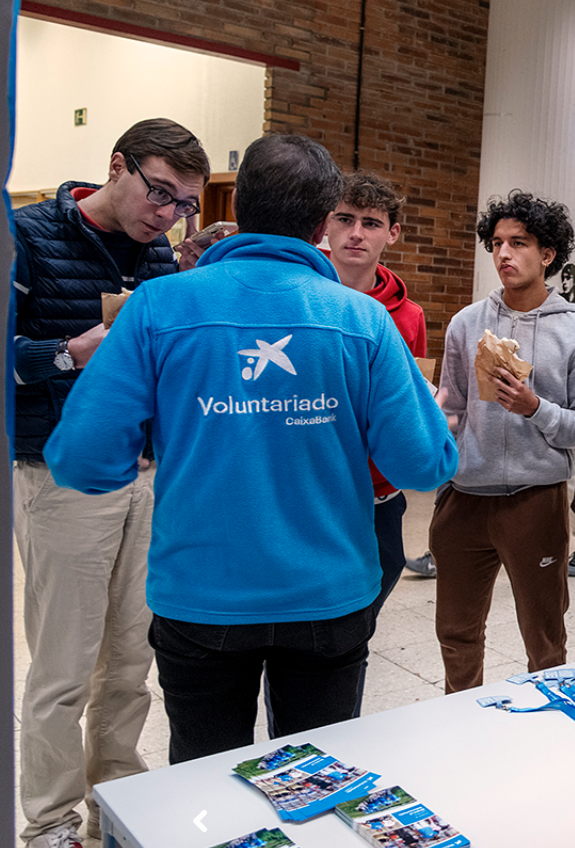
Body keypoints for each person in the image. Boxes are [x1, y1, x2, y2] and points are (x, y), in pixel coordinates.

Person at [44, 134, 458, 765]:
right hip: (327, 596)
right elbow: (424, 464)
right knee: (318, 783)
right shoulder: (363, 320)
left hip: (202, 598)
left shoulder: (159, 306)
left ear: (239, 201)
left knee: (207, 783)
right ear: (322, 222)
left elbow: (82, 460)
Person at [11, 118, 211, 848]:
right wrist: (68, 352)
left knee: (130, 662)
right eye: (160, 193)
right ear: (116, 167)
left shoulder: (158, 255)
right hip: (60, 476)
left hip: (146, 478)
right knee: (63, 667)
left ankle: (115, 805)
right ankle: (51, 822)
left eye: (184, 202)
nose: (167, 214)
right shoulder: (26, 235)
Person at [432, 190, 575, 692]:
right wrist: (440, 445)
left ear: (547, 254)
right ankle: (459, 721)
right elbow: (453, 407)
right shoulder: (467, 324)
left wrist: (535, 408)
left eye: (519, 243)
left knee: (545, 639)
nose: (504, 254)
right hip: (465, 498)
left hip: (537, 501)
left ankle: (545, 734)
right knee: (456, 633)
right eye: (497, 243)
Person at [326, 171, 429, 613]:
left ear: (392, 233)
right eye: (344, 219)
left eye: (370, 223)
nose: (355, 233)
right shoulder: (300, 299)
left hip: (380, 492)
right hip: (313, 486)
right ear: (324, 225)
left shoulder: (409, 316)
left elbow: (412, 401)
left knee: (364, 616)